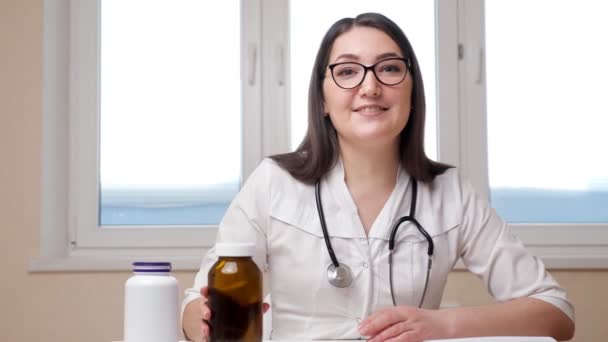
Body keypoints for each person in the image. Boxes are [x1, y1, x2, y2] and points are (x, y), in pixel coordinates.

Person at [182, 12, 575, 342]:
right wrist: (206, 322)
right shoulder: (273, 183)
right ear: (322, 98)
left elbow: (555, 312)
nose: (370, 87)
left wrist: (442, 324)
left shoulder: (450, 192)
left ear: (411, 90)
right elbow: (193, 304)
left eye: (388, 68)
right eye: (348, 71)